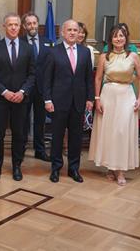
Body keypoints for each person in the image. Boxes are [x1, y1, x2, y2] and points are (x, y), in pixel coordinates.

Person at [88, 24, 140, 186]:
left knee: (122, 131)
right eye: (115, 36)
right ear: (111, 40)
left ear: (126, 38)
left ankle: (120, 170)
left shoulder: (133, 56)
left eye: (121, 36)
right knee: (109, 132)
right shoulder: (104, 56)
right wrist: (97, 99)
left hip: (126, 95)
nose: (118, 39)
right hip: (108, 95)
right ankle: (110, 167)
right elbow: (98, 78)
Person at [0, 13, 35, 181]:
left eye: (16, 25)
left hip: (21, 100)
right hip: (0, 99)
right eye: (10, 25)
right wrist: (5, 92)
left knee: (19, 135)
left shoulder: (28, 48)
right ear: (4, 26)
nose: (13, 27)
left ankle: (16, 166)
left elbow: (32, 75)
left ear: (20, 27)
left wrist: (22, 92)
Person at [43, 19, 94, 183]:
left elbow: (88, 79)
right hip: (58, 102)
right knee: (57, 137)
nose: (73, 33)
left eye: (75, 30)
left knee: (76, 138)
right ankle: (56, 168)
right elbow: (47, 79)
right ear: (62, 33)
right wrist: (47, 100)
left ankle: (74, 169)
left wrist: (90, 98)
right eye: (69, 30)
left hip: (78, 102)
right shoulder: (53, 52)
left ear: (79, 33)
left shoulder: (85, 52)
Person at [22, 12, 51, 162]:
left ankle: (40, 150)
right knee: (23, 120)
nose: (32, 26)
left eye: (34, 23)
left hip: (41, 88)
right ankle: (21, 148)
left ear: (37, 24)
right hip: (25, 88)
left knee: (40, 121)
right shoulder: (19, 41)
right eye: (29, 23)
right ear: (24, 26)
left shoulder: (48, 42)